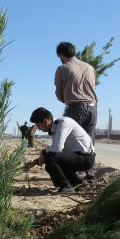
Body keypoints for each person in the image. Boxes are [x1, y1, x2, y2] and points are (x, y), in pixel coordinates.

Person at [54, 41, 98, 181]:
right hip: (92, 108)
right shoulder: (89, 68)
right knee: (89, 142)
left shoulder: (62, 68)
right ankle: (90, 175)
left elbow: (59, 92)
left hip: (75, 108)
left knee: (69, 140)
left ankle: (73, 176)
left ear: (61, 55)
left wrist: (66, 100)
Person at [27, 107, 95, 193]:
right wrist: (34, 162)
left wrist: (43, 152)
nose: (39, 129)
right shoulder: (56, 129)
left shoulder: (63, 122)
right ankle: (75, 183)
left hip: (85, 158)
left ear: (45, 121)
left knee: (50, 158)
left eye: (39, 126)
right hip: (77, 157)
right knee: (51, 158)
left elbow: (57, 148)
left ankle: (65, 187)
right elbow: (57, 152)